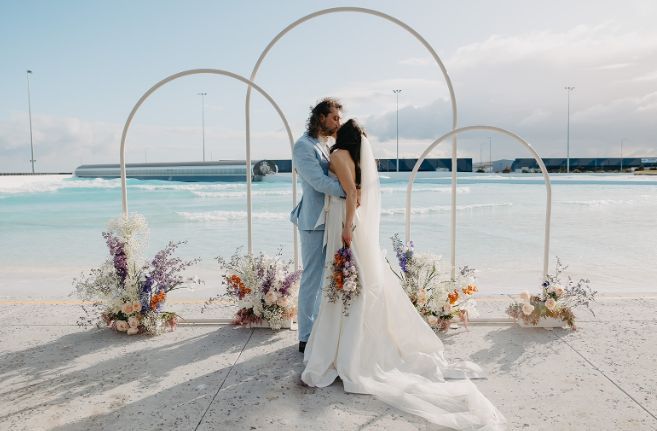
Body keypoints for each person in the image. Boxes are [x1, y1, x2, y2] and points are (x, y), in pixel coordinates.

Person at [301, 119, 506, 430]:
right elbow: (355, 193)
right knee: (354, 285)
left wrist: (345, 229)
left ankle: (346, 349)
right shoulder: (349, 156)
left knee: (349, 286)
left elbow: (352, 197)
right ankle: (343, 343)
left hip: (344, 225)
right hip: (344, 223)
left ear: (343, 137)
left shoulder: (340, 156)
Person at [290, 98, 345, 354]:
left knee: (326, 277)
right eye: (334, 117)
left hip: (330, 220)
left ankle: (321, 329)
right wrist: (351, 192)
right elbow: (318, 182)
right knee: (311, 278)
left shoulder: (324, 145)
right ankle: (305, 336)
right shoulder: (303, 146)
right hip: (313, 221)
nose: (338, 122)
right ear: (321, 117)